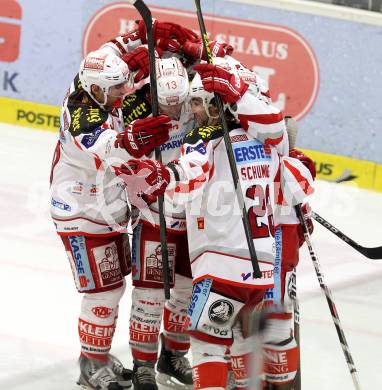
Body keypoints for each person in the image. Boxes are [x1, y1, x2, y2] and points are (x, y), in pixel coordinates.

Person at [123, 58, 314, 389]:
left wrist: (163, 176)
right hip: (262, 271)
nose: (192, 109)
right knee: (241, 343)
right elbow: (301, 187)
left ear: (216, 105)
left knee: (208, 345)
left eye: (198, 101)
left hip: (220, 268)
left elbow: (185, 185)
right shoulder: (267, 144)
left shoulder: (205, 138)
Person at [49, 31, 177, 388]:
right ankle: (92, 367)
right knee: (102, 292)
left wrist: (138, 37)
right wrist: (133, 141)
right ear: (99, 90)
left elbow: (112, 49)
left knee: (111, 286)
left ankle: (96, 355)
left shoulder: (89, 78)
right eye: (118, 89)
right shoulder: (82, 116)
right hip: (81, 212)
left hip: (105, 211)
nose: (125, 94)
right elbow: (108, 147)